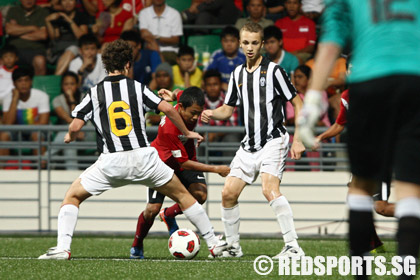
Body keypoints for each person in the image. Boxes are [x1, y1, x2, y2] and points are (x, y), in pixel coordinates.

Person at [38, 39, 228, 260]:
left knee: (72, 197)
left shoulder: (95, 92)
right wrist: (188, 131)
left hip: (111, 162)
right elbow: (167, 108)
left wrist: (70, 135)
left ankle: (63, 248)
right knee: (185, 197)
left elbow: (76, 124)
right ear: (128, 64)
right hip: (144, 159)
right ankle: (214, 244)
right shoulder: (137, 88)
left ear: (106, 65)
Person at [297, 1, 420, 278]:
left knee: (360, 188)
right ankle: (406, 275)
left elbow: (330, 44)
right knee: (412, 191)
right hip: (414, 81)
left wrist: (313, 98)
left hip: (370, 81)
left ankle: (360, 274)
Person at [201, 22, 306, 259]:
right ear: (240, 44)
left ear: (262, 44)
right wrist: (209, 113)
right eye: (246, 43)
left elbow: (298, 103)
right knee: (228, 193)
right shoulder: (237, 73)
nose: (250, 47)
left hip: (273, 140)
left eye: (255, 43)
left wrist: (298, 138)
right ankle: (234, 247)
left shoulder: (275, 72)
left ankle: (293, 247)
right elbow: (227, 110)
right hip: (248, 145)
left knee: (269, 190)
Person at [130, 87, 231, 259]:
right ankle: (137, 244)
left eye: (198, 114)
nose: (195, 117)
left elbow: (179, 92)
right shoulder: (171, 128)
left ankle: (168, 215)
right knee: (152, 210)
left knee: (199, 195)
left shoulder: (186, 102)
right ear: (181, 107)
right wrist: (216, 169)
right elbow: (183, 163)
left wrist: (173, 94)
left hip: (184, 159)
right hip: (161, 165)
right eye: (192, 113)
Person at [313, 88, 394, 252]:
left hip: (380, 157)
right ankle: (373, 244)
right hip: (362, 157)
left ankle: (413, 211)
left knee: (381, 208)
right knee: (356, 201)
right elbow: (339, 124)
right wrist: (320, 137)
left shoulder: (381, 89)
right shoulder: (347, 96)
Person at [0, 67, 50, 158]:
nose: (23, 84)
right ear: (14, 84)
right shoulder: (8, 98)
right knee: (3, 136)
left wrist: (24, 128)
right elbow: (7, 124)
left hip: (35, 131)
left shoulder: (42, 96)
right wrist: (14, 99)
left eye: (26, 80)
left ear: (31, 82)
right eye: (19, 81)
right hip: (16, 132)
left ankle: (41, 169)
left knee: (37, 135)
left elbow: (43, 122)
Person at [198, 69, 241, 158]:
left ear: (221, 85)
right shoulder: (199, 100)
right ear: (204, 86)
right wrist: (206, 135)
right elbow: (197, 126)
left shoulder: (229, 99)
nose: (212, 87)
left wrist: (215, 134)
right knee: (196, 140)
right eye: (209, 85)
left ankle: (228, 170)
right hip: (204, 135)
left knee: (232, 139)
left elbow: (233, 126)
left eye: (215, 84)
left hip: (224, 136)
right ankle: (198, 171)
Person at [49, 71, 84, 170]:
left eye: (72, 84)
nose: (69, 87)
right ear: (62, 86)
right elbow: (69, 119)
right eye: (66, 84)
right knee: (69, 136)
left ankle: (46, 156)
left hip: (84, 131)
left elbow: (76, 118)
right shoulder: (57, 100)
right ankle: (72, 171)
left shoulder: (84, 98)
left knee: (68, 134)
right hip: (70, 132)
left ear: (77, 85)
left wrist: (72, 100)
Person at [45, 0, 89, 75]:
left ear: (75, 2)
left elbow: (82, 37)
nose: (68, 3)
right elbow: (54, 37)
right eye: (64, 0)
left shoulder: (81, 16)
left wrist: (68, 20)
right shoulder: (57, 16)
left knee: (72, 49)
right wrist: (47, 21)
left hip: (77, 50)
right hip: (59, 50)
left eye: (71, 0)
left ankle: (56, 78)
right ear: (61, 3)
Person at [5, 0, 49, 75]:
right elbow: (9, 30)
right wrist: (33, 28)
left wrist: (17, 31)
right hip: (14, 49)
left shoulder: (43, 12)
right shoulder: (13, 10)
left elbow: (43, 35)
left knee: (40, 61)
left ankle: (38, 86)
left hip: (35, 50)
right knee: (3, 60)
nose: (28, 1)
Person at [138, 0, 183, 65]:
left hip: (169, 51)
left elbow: (175, 39)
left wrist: (156, 38)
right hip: (149, 50)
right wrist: (156, 48)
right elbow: (144, 34)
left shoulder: (174, 14)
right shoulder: (144, 13)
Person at [205, 26, 246, 92]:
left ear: (239, 42)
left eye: (232, 41)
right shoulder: (217, 55)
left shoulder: (245, 56)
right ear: (221, 42)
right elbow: (206, 74)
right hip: (221, 92)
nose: (229, 44)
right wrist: (220, 84)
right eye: (225, 41)